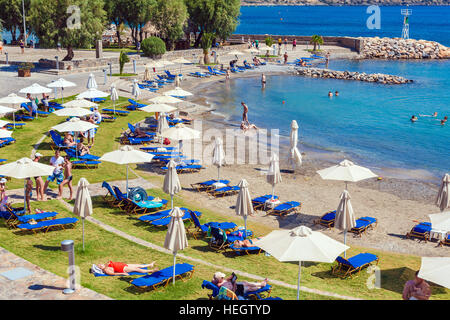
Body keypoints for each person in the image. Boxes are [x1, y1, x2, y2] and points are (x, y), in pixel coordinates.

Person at [93, 261, 158, 276]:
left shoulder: (106, 265)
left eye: (100, 264)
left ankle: (150, 264)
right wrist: (123, 273)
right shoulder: (106, 270)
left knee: (137, 265)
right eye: (100, 265)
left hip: (123, 265)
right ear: (100, 268)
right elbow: (113, 274)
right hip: (123, 269)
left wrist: (106, 264)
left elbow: (109, 262)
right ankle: (152, 271)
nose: (101, 264)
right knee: (136, 269)